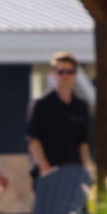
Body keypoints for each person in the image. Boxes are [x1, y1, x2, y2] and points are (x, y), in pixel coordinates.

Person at [26, 52, 94, 181]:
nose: (65, 76)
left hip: (74, 172)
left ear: (75, 75)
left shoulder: (81, 106)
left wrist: (85, 169)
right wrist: (44, 167)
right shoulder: (41, 104)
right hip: (48, 173)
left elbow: (83, 142)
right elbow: (33, 139)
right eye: (61, 72)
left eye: (70, 72)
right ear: (54, 74)